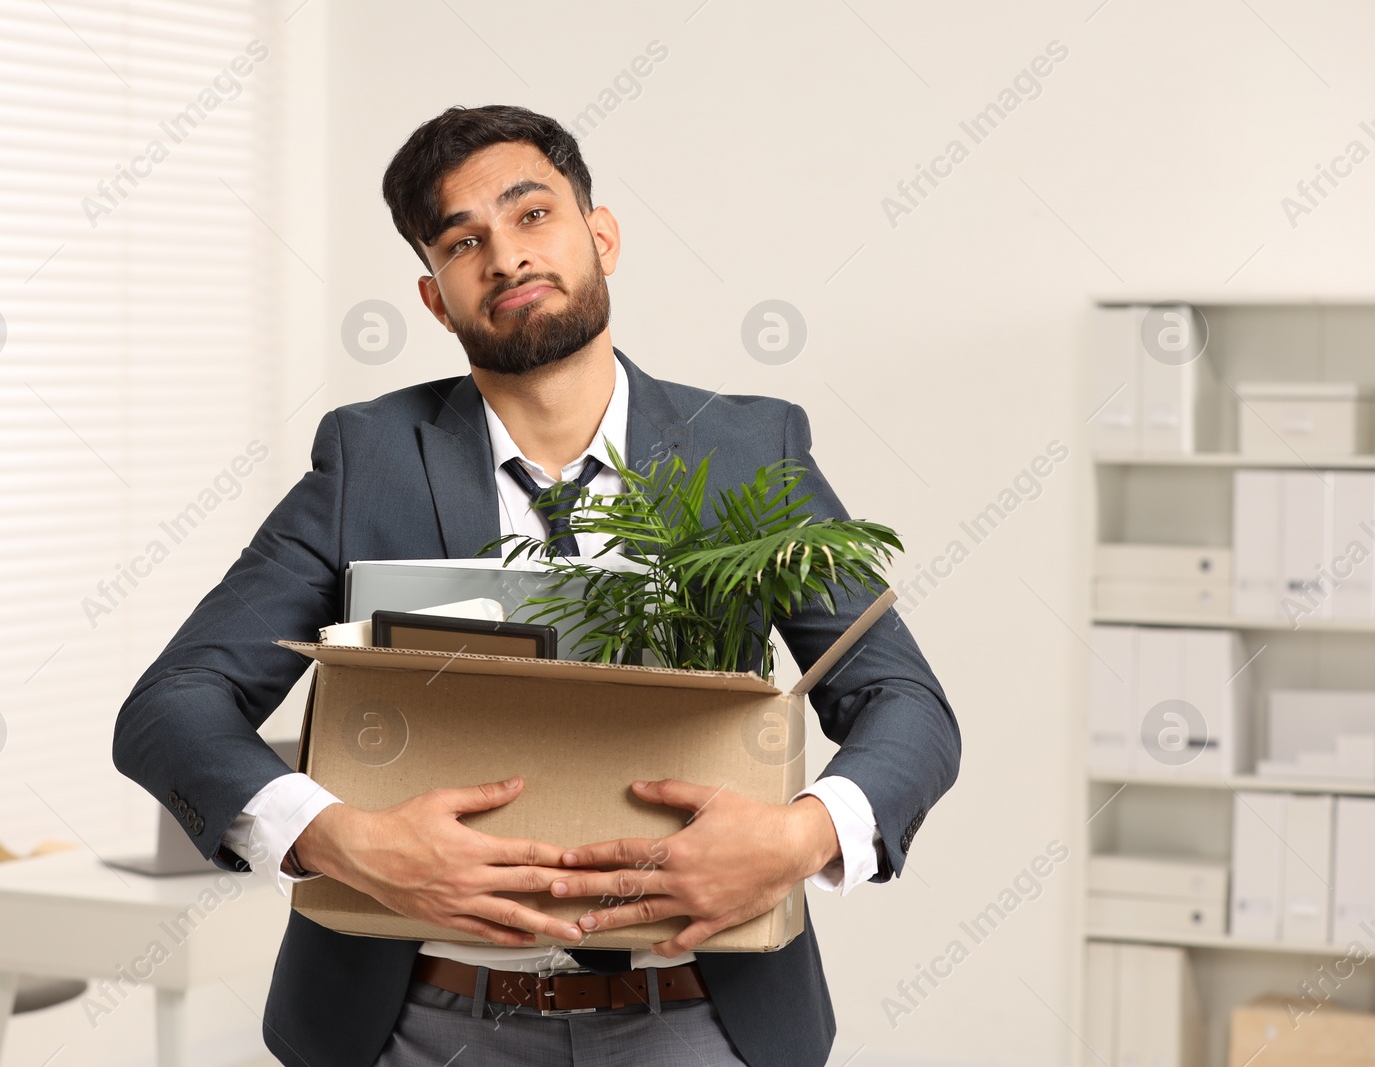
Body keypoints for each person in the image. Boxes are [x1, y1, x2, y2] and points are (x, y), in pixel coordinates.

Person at [114, 104, 960, 1067]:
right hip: (416, 1025)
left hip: (699, 1018)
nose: (506, 257)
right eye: (462, 242)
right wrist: (335, 838)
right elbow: (170, 706)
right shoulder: (369, 458)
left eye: (532, 216)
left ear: (600, 236)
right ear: (436, 297)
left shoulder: (744, 448)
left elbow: (906, 701)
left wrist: (801, 837)